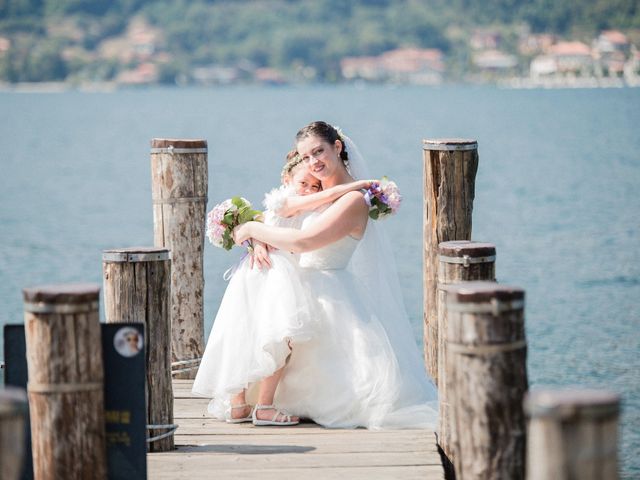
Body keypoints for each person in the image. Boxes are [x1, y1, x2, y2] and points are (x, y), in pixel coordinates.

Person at [233, 121, 438, 429]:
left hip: (328, 292)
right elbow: (283, 221)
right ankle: (252, 401)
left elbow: (304, 242)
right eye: (305, 157)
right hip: (297, 290)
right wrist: (257, 238)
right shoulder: (316, 191)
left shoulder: (354, 201)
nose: (313, 162)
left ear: (337, 147)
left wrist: (250, 229)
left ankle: (275, 403)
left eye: (319, 151)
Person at [192, 150, 371, 425]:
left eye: (314, 185)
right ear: (286, 178)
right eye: (303, 183)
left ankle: (242, 404)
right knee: (276, 338)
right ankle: (254, 404)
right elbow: (310, 206)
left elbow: (260, 229)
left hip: (262, 274)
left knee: (263, 337)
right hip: (273, 274)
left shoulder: (289, 206)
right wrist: (354, 186)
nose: (309, 190)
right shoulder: (284, 201)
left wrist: (256, 238)